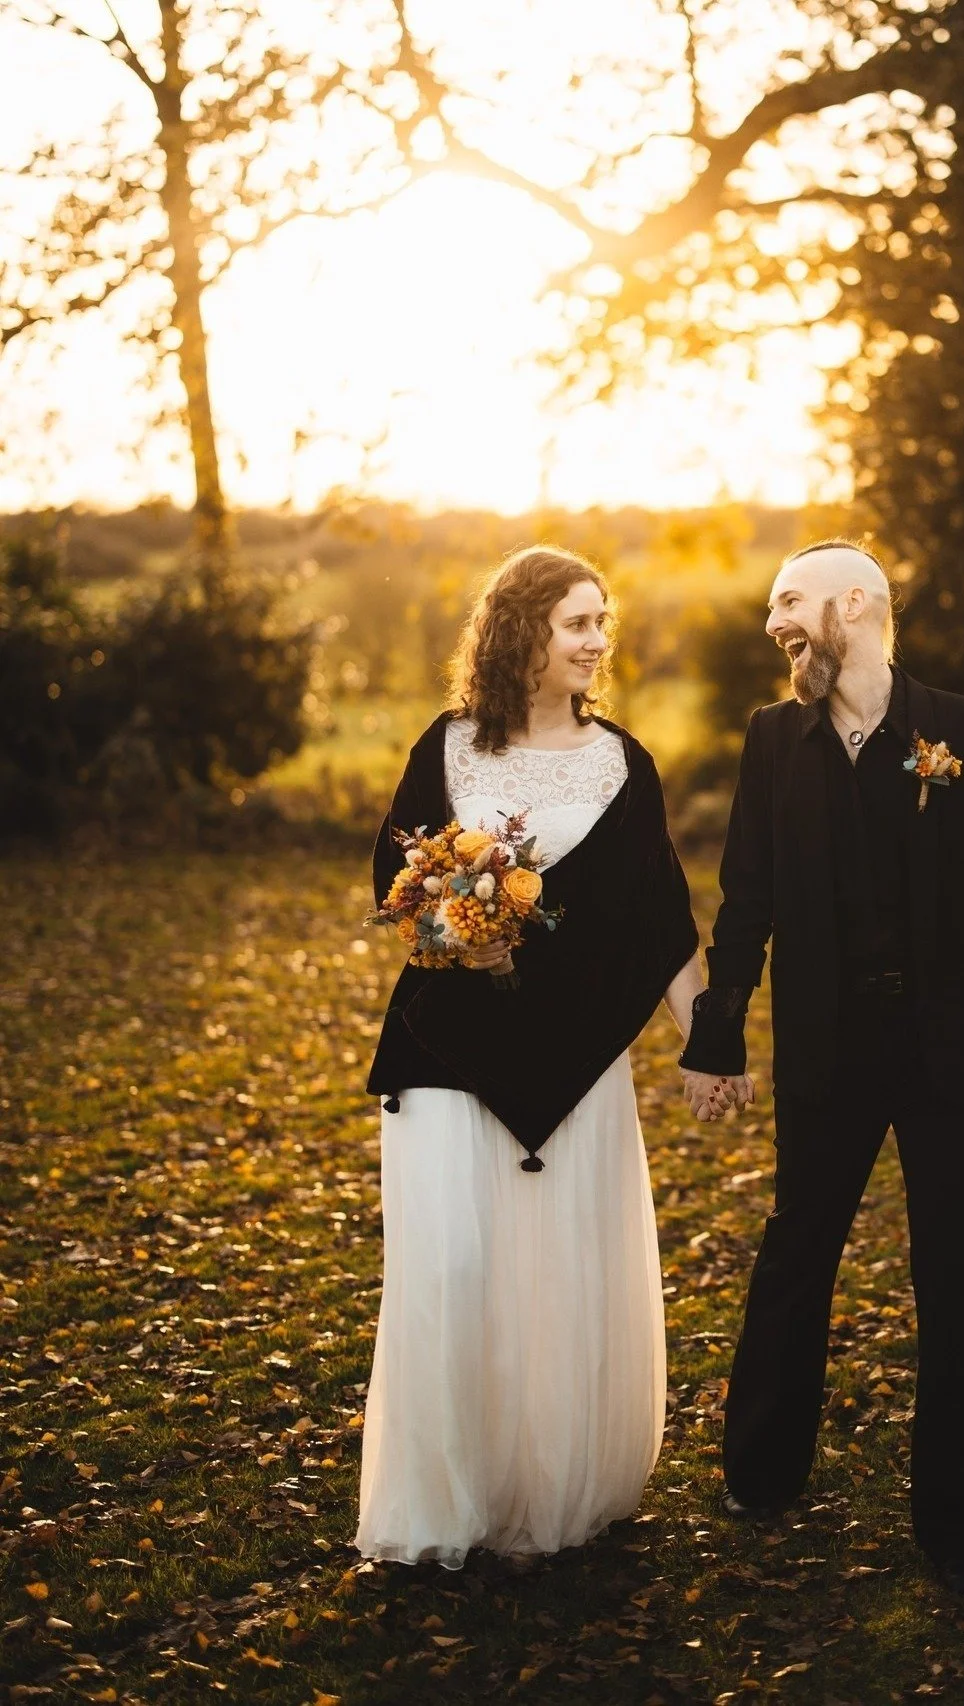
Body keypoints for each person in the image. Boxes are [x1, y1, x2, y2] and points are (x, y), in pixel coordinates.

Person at [679, 539, 964, 1594]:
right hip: (825, 1052)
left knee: (952, 1271)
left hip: (947, 1052)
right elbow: (748, 897)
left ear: (855, 605)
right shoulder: (772, 738)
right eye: (772, 605)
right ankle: (761, 1469)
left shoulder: (962, 729)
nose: (776, 623)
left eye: (791, 602)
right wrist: (716, 1034)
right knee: (797, 1250)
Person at [354, 545, 745, 1569]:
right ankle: (444, 1501)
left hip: (576, 1062)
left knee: (554, 1279)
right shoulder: (444, 746)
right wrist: (452, 933)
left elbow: (665, 924)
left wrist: (712, 1043)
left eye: (602, 620)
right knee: (455, 1267)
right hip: (445, 1046)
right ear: (521, 630)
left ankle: (543, 1499)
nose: (597, 639)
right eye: (578, 620)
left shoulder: (624, 763)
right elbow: (395, 883)